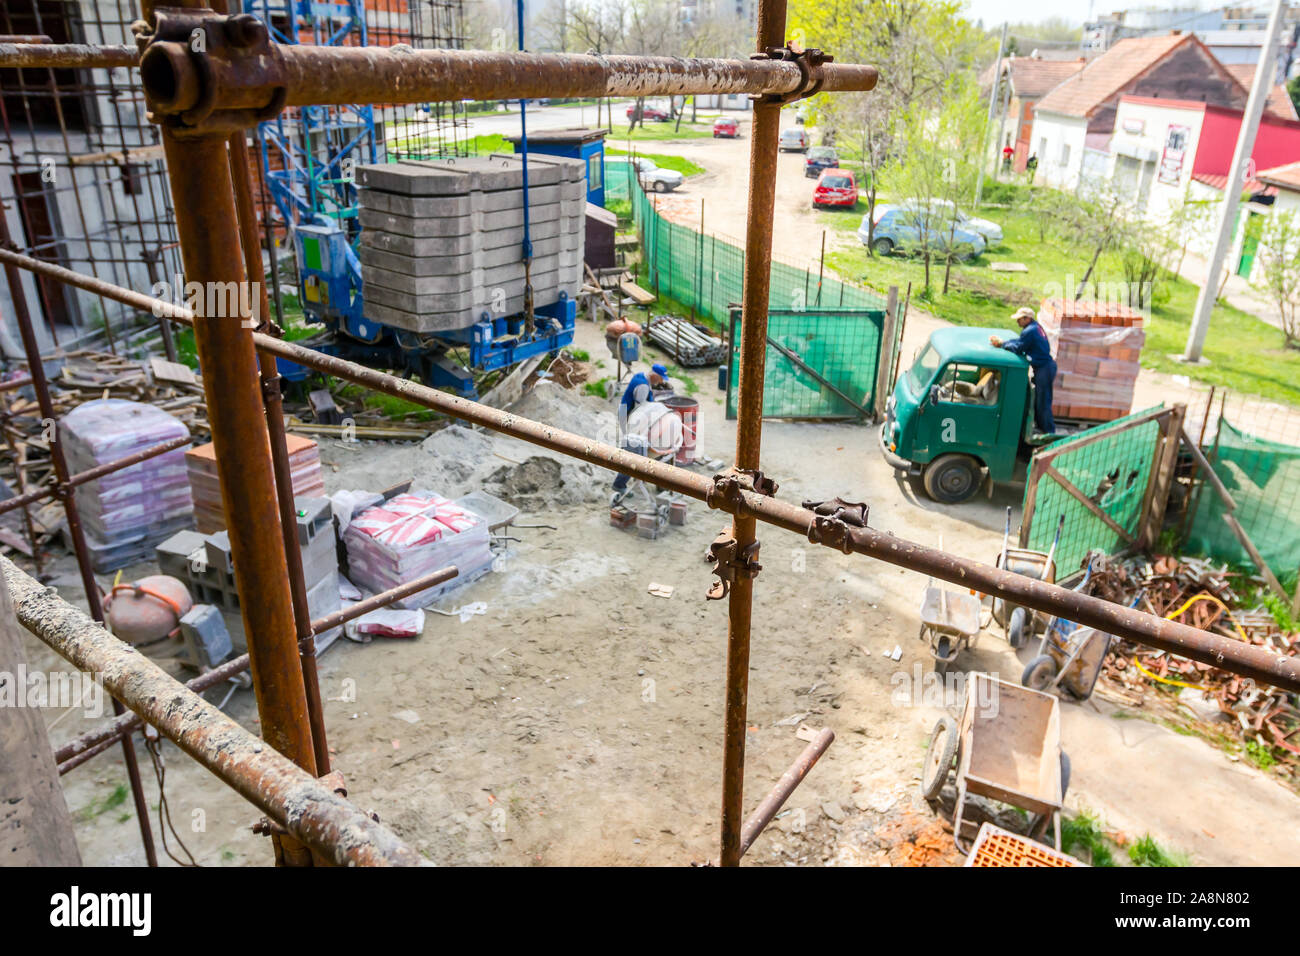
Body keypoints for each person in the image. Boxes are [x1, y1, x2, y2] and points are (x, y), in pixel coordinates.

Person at [990, 306, 1056, 435]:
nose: (1017, 321)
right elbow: (1020, 341)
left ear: (1027, 318)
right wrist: (1005, 342)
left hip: (1044, 369)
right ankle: (1042, 426)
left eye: (1019, 319)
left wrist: (1002, 345)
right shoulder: (1035, 327)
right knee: (1039, 399)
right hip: (1045, 367)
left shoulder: (1029, 331)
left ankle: (1049, 431)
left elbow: (1019, 348)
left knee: (1043, 401)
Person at [612, 364, 671, 497]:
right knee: (633, 452)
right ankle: (619, 484)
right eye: (661, 379)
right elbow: (641, 411)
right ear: (654, 375)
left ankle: (636, 474)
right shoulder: (643, 386)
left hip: (627, 412)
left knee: (635, 450)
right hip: (629, 417)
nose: (661, 382)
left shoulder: (641, 376)